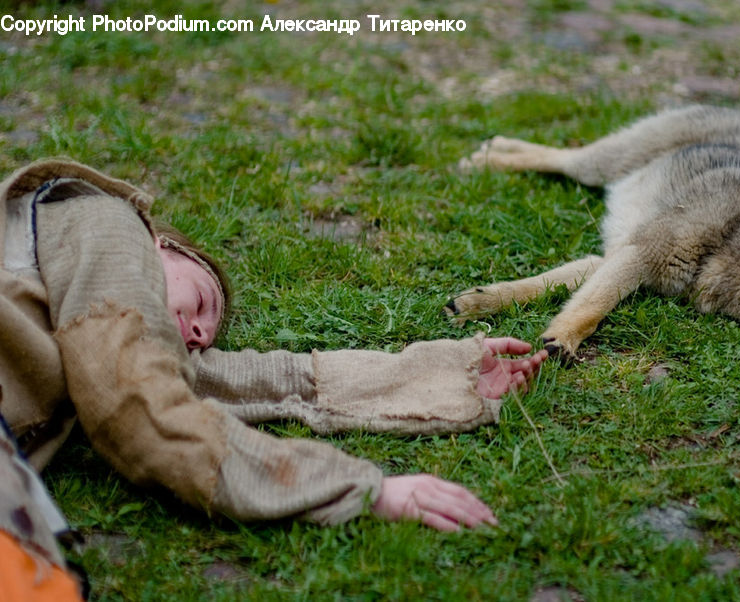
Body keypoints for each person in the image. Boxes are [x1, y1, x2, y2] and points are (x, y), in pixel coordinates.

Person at [0, 158, 547, 590]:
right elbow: (140, 406)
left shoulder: (73, 315)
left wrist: (450, 374)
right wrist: (361, 488)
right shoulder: (107, 224)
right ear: (160, 246)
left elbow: (274, 380)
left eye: (202, 339)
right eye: (202, 302)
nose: (197, 337)